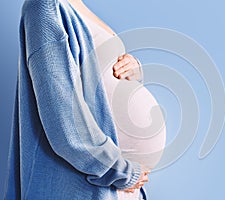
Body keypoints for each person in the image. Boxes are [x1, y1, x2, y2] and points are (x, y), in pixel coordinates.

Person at [4, 0, 152, 199]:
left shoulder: (81, 7)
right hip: (89, 183)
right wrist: (119, 170)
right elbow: (62, 116)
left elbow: (101, 86)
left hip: (119, 186)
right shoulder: (44, 7)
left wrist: (133, 72)